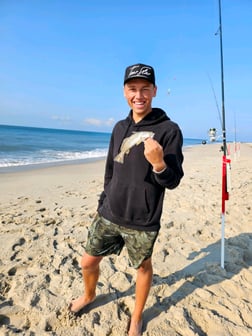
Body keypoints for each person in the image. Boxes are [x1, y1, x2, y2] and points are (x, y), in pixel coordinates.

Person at [69, 63, 184, 336]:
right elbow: (110, 168)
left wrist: (159, 165)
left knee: (143, 267)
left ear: (155, 91)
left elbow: (173, 180)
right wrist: (102, 202)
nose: (139, 95)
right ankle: (89, 295)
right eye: (133, 89)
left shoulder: (169, 130)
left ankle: (136, 317)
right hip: (109, 212)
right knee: (87, 261)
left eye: (145, 89)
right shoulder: (119, 127)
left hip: (143, 220)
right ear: (124, 92)